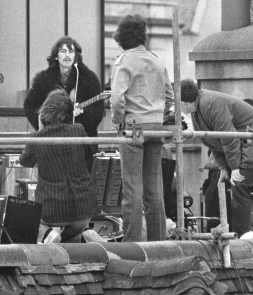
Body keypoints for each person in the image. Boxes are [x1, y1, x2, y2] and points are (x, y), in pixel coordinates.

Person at [180, 79, 253, 236]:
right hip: (243, 144)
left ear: (183, 103)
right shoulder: (198, 107)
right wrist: (224, 168)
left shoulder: (211, 103)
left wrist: (235, 167)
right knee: (223, 185)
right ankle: (232, 232)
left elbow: (228, 137)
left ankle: (243, 235)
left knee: (240, 184)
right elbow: (212, 140)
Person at [110, 14, 174, 242]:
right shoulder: (156, 60)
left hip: (133, 127)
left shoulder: (124, 61)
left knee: (132, 188)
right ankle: (159, 242)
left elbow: (117, 99)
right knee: (154, 189)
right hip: (156, 127)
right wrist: (159, 115)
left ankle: (132, 243)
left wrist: (118, 120)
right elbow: (169, 95)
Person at [19, 89, 106, 243]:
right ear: (68, 114)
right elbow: (90, 151)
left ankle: (48, 235)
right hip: (84, 208)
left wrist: (40, 130)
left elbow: (24, 161)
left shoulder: (37, 137)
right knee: (70, 237)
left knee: (26, 222)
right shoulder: (78, 130)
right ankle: (84, 236)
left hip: (53, 210)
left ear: (44, 112)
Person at [24, 36, 104, 138]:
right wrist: (45, 122)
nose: (67, 55)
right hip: (51, 138)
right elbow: (30, 106)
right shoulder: (42, 79)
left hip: (82, 140)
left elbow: (98, 110)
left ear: (75, 56)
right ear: (56, 56)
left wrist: (83, 113)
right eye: (63, 51)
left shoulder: (89, 79)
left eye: (71, 51)